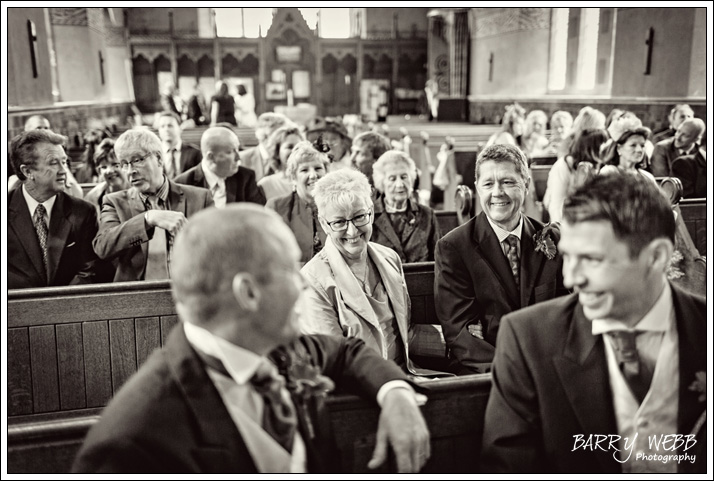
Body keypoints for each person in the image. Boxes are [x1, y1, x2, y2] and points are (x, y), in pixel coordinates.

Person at [72, 204, 431, 473]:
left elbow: (347, 352)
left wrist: (396, 393)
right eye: (290, 270)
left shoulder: (279, 348)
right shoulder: (134, 443)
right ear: (248, 293)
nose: (303, 283)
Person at [481, 174, 706, 474]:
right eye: (568, 258)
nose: (570, 279)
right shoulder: (528, 340)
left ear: (655, 258)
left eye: (592, 259)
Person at [434, 144, 567, 374]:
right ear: (477, 188)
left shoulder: (550, 238)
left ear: (525, 185)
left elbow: (566, 314)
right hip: (488, 373)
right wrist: (514, 373)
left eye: (508, 182)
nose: (497, 192)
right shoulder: (455, 247)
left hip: (549, 367)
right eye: (488, 184)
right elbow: (461, 334)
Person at [300, 170, 441, 377]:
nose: (352, 231)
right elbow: (336, 361)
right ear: (324, 224)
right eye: (339, 222)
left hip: (407, 373)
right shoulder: (312, 280)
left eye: (359, 217)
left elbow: (404, 334)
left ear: (371, 213)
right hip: (359, 389)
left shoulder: (389, 258)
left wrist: (459, 338)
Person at [93, 128, 213, 282]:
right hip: (136, 296)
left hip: (189, 289)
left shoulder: (200, 197)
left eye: (137, 160)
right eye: (123, 164)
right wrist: (147, 219)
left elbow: (218, 249)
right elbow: (103, 247)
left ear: (159, 159)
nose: (130, 171)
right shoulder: (115, 202)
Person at [8, 129, 98, 289]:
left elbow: (88, 270)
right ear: (28, 171)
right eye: (53, 163)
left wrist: (59, 307)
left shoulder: (83, 212)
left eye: (64, 162)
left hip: (69, 306)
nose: (64, 171)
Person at [371, 151, 440, 263]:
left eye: (404, 177)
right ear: (382, 183)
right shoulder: (369, 215)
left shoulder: (427, 215)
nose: (400, 184)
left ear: (412, 179)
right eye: (392, 179)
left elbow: (438, 260)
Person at [266, 140, 329, 264]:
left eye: (318, 168)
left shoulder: (338, 205)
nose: (313, 175)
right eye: (304, 170)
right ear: (293, 178)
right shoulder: (276, 208)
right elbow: (269, 256)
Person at [174, 126, 265, 208]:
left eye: (237, 149)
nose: (238, 157)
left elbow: (258, 216)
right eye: (230, 152)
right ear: (211, 157)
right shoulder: (182, 184)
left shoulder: (245, 177)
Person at [8, 115, 83, 198]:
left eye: (46, 128)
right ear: (26, 131)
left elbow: (76, 191)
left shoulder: (60, 156)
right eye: (38, 128)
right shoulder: (14, 155)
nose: (43, 131)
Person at [543, 128, 609, 223]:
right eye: (604, 144)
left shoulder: (602, 166)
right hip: (564, 217)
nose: (607, 148)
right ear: (592, 148)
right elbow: (556, 205)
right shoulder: (562, 166)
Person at [84, 138, 131, 217]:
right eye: (104, 167)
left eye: (115, 165)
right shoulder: (92, 197)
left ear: (126, 166)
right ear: (98, 171)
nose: (109, 171)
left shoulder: (140, 192)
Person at [240, 112, 292, 181]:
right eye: (278, 135)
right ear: (263, 136)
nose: (282, 139)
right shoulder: (242, 159)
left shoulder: (289, 156)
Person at [258, 125, 305, 201]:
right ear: (276, 152)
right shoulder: (265, 185)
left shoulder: (311, 181)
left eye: (299, 147)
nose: (295, 151)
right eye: (289, 147)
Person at [157, 111, 202, 179]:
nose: (166, 129)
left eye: (170, 126)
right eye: (162, 126)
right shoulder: (154, 154)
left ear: (180, 128)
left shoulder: (195, 152)